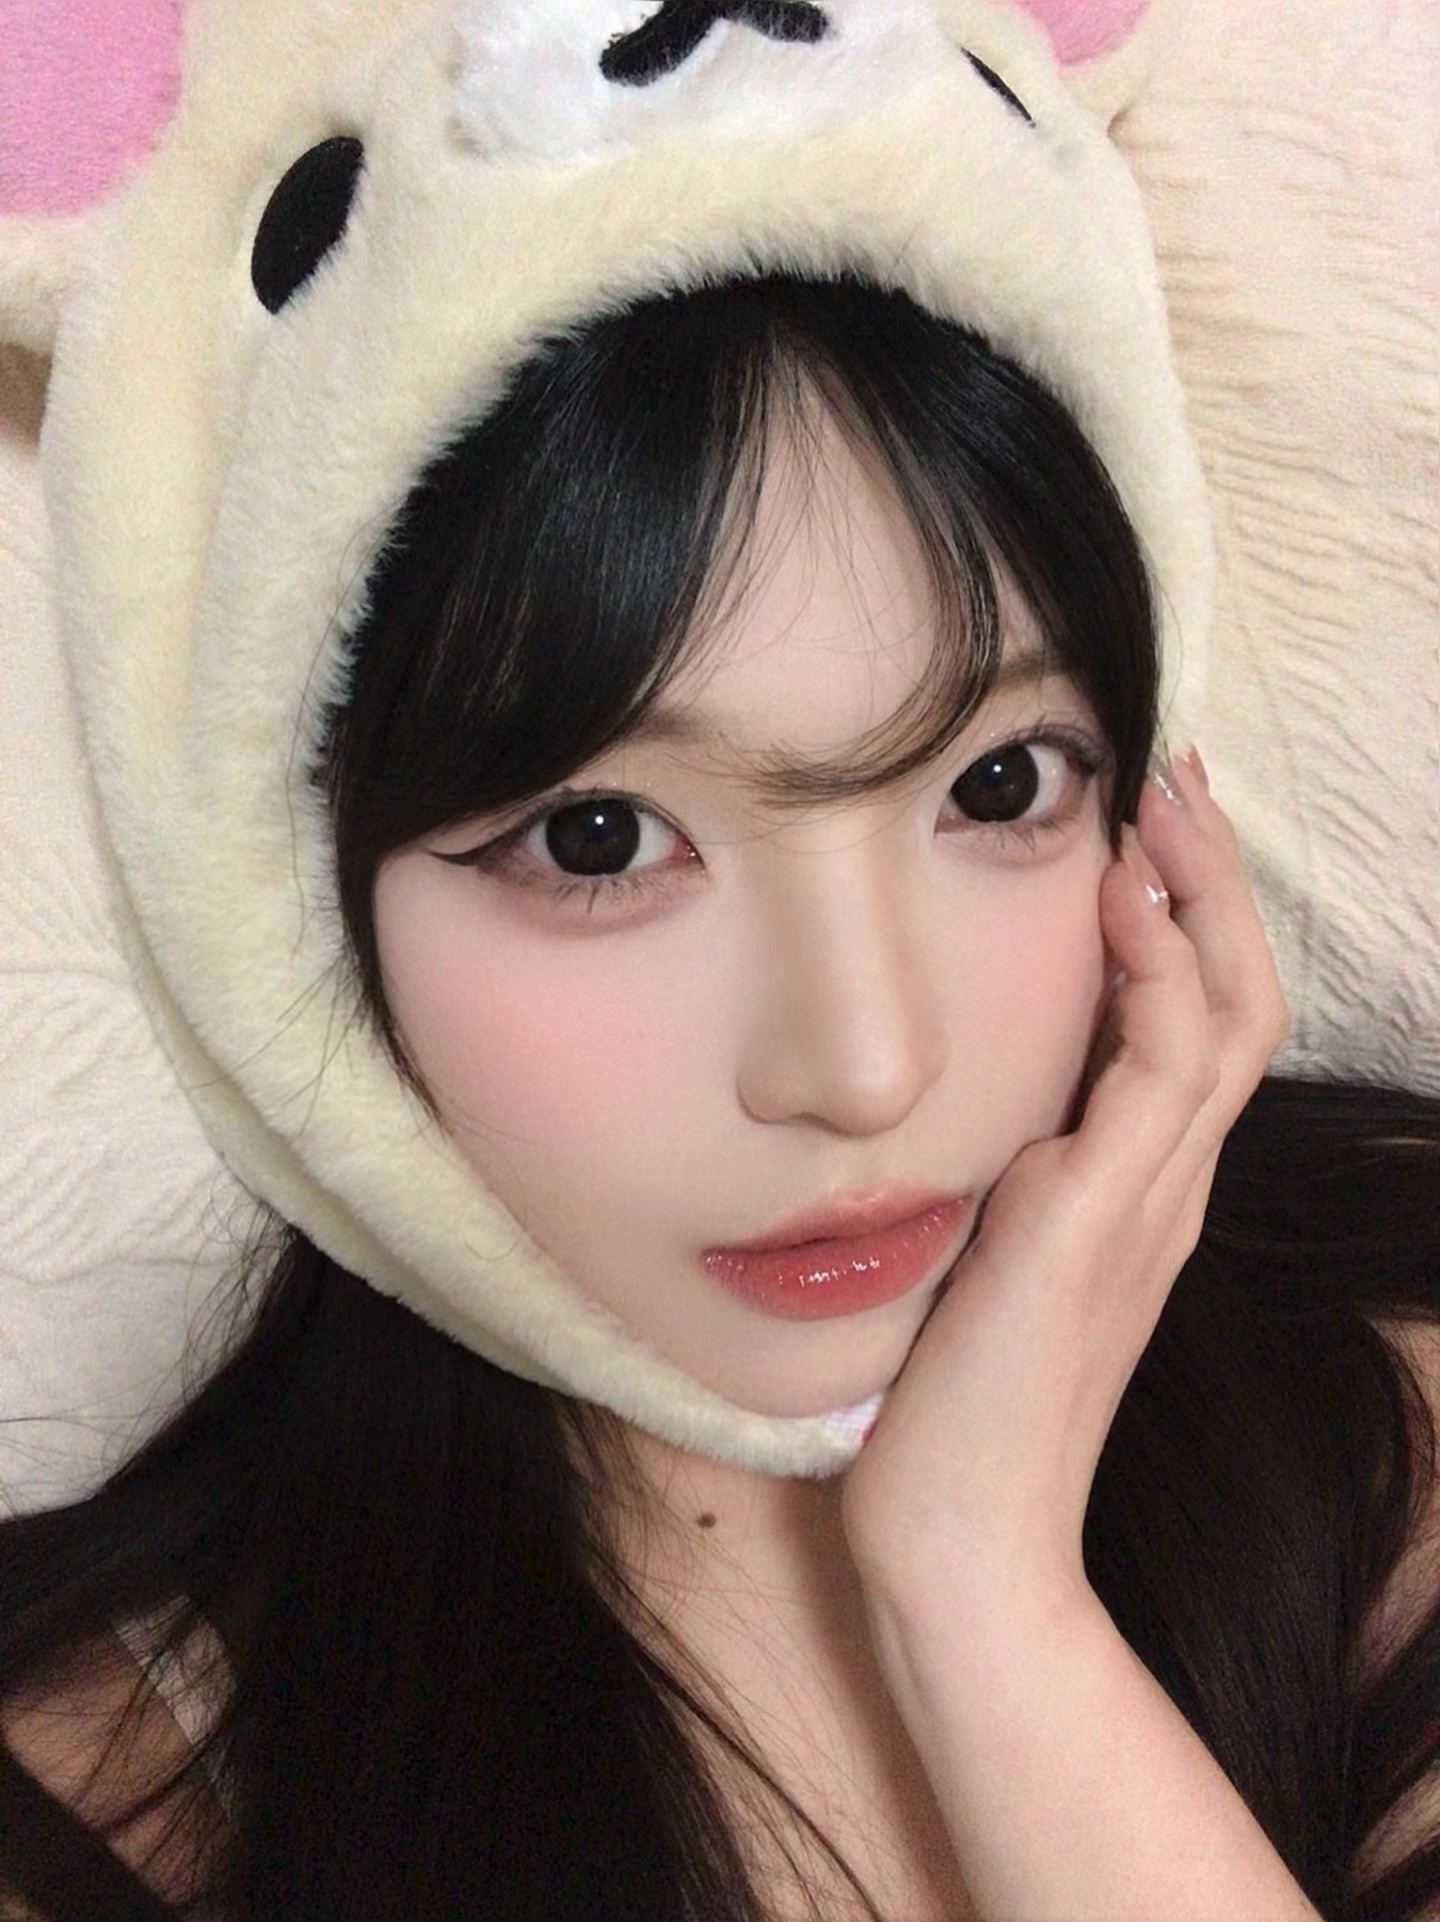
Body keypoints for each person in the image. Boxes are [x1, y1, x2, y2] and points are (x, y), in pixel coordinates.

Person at [1, 8, 1437, 1919]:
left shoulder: (1393, 1401)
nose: (860, 1063)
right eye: (600, 839)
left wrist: (985, 1594)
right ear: (283, 905)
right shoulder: (104, 1800)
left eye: (1000, 781)